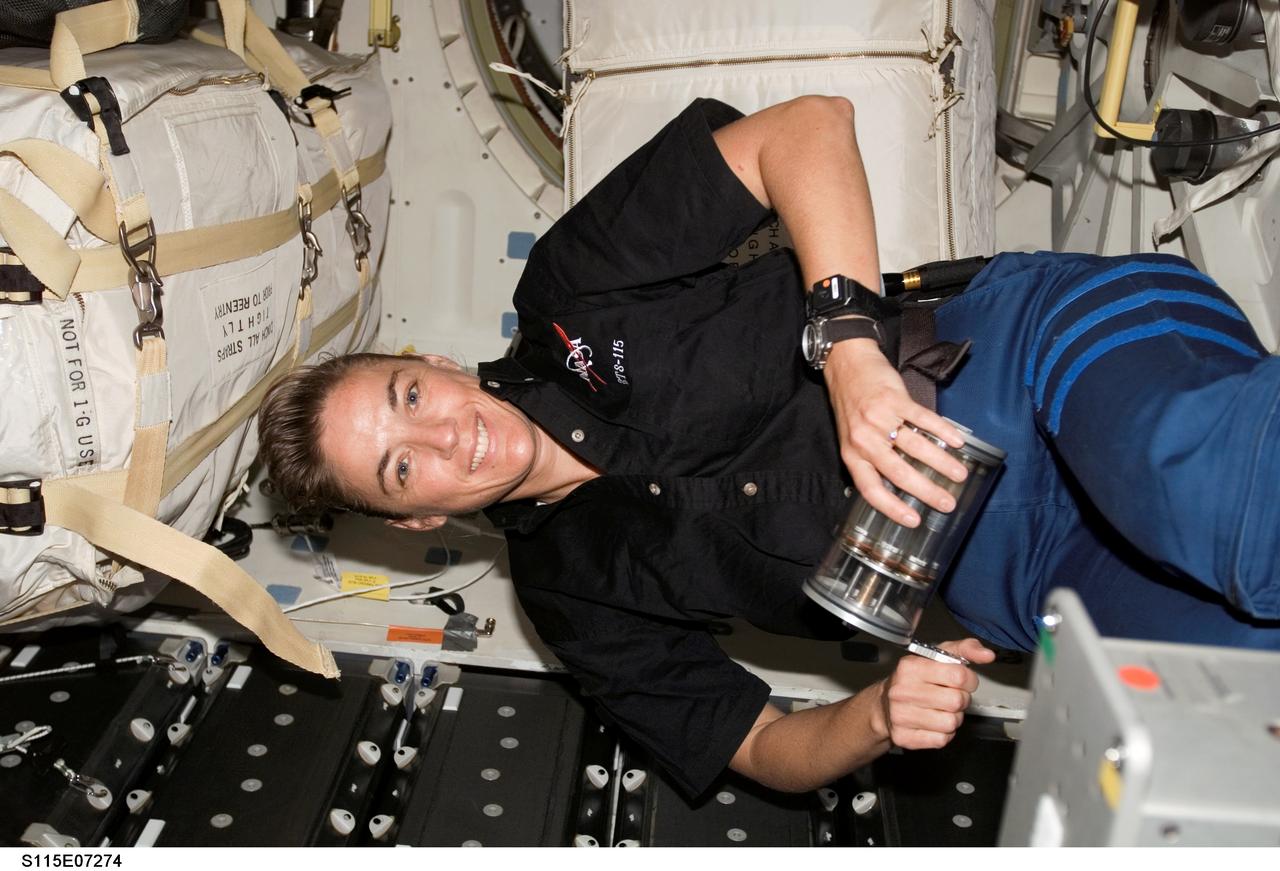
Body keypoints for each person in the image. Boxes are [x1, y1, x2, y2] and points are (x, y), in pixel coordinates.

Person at [258, 95, 1280, 798]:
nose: (444, 432)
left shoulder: (571, 285)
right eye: (403, 465)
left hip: (1020, 360)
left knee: (1192, 486)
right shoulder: (570, 599)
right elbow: (759, 747)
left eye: (406, 395)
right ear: (417, 517)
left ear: (428, 359)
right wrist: (876, 715)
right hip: (1009, 578)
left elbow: (801, 131)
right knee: (1223, 693)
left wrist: (847, 353)